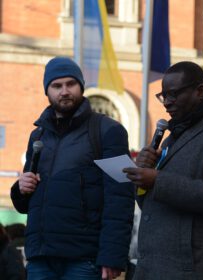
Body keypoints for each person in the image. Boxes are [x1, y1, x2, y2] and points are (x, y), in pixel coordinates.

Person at [123, 61, 203, 280]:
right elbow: (149, 204)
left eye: (174, 94)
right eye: (163, 96)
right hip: (153, 267)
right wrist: (143, 177)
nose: (167, 103)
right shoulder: (173, 137)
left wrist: (157, 180)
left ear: (199, 91)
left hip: (193, 270)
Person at [10, 56, 135, 280]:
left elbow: (120, 199)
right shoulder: (38, 135)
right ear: (47, 91)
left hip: (84, 259)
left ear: (81, 86)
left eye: (71, 84)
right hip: (41, 258)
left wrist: (112, 256)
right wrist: (20, 189)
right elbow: (26, 204)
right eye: (57, 86)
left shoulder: (108, 131)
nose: (64, 91)